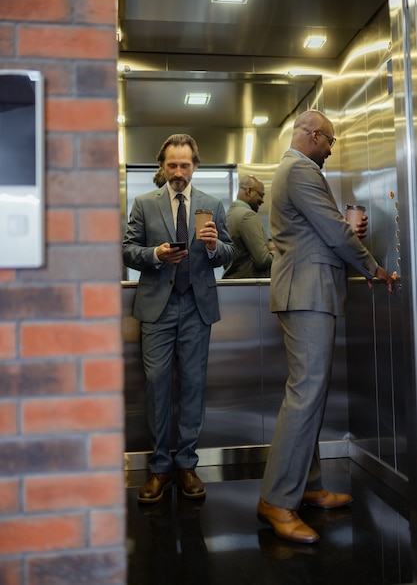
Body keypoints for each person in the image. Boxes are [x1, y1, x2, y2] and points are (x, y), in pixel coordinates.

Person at [258, 110, 395, 544]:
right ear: (314, 135)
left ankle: (307, 485)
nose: (332, 148)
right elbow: (335, 234)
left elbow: (321, 232)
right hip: (307, 295)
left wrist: (344, 231)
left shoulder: (291, 171)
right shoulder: (300, 170)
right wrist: (372, 267)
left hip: (307, 292)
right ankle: (277, 500)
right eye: (331, 140)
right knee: (305, 395)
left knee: (309, 394)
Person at [123, 133, 234, 504]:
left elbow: (230, 253)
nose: (178, 172)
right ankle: (158, 468)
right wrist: (154, 254)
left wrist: (215, 247)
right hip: (157, 307)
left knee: (192, 385)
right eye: (171, 164)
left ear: (195, 166)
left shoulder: (213, 204)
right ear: (162, 166)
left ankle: (186, 464)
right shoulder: (143, 203)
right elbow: (127, 249)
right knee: (156, 385)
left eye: (184, 165)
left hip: (197, 306)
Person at [223, 175, 274, 278]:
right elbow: (262, 261)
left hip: (234, 282)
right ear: (249, 191)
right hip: (250, 286)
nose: (262, 200)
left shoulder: (229, 214)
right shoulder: (248, 216)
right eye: (261, 195)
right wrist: (278, 252)